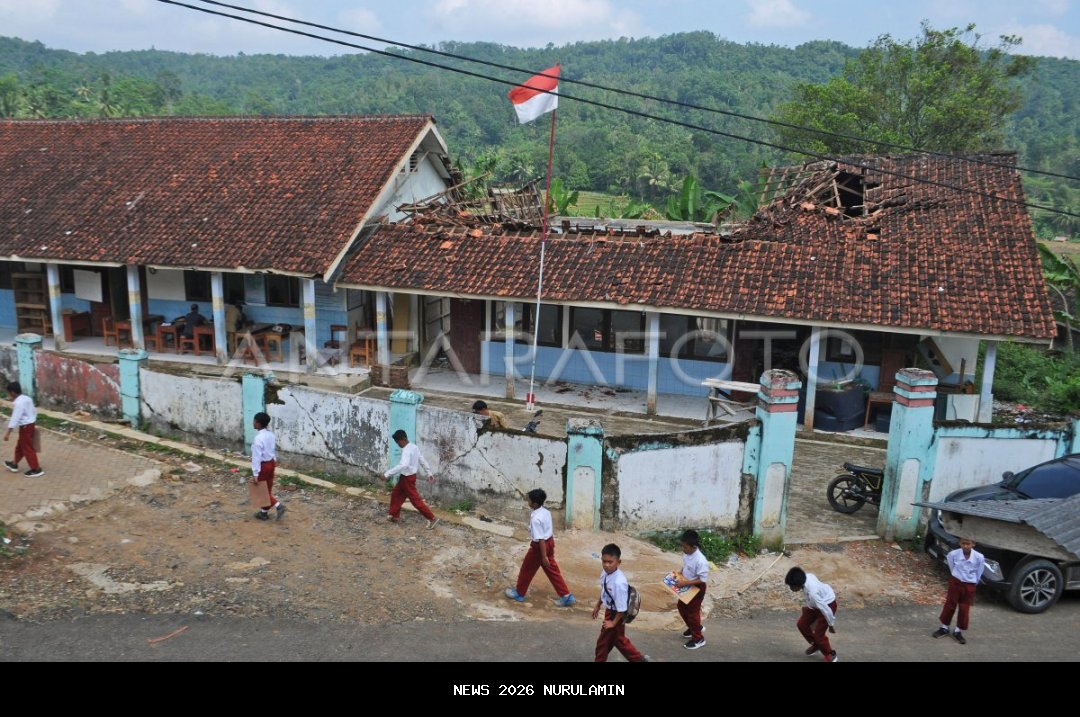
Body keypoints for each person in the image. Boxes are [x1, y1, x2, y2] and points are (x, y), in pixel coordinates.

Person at [504, 488, 576, 607]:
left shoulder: (535, 519)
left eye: (529, 501)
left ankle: (519, 593)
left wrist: (543, 556)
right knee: (552, 570)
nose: (528, 502)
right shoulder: (545, 512)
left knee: (526, 569)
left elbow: (540, 539)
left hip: (539, 547)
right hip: (550, 542)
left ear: (535, 504)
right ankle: (566, 595)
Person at [592, 543, 648, 662]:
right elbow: (605, 591)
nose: (606, 565)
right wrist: (598, 604)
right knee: (618, 641)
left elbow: (622, 608)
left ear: (619, 562)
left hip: (616, 614)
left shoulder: (619, 582)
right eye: (604, 561)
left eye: (610, 562)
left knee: (603, 643)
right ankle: (639, 659)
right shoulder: (605, 573)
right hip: (610, 611)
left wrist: (613, 622)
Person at [383, 429, 439, 529]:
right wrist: (429, 472)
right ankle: (394, 515)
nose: (397, 444)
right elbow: (422, 460)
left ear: (403, 439)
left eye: (398, 442)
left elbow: (403, 465)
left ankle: (432, 518)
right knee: (396, 494)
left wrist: (387, 474)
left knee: (415, 501)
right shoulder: (414, 447)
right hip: (406, 477)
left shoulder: (406, 450)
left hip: (407, 479)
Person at [933, 537, 985, 645]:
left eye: (968, 544)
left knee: (964, 607)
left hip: (970, 584)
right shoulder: (953, 554)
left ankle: (958, 631)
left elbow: (979, 572)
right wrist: (956, 577)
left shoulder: (979, 557)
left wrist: (973, 582)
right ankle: (944, 627)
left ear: (973, 544)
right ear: (960, 543)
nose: (965, 546)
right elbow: (952, 567)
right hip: (956, 582)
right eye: (963, 543)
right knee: (950, 604)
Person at [785, 566, 839, 662]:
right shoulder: (807, 576)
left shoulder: (812, 592)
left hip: (827, 605)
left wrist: (831, 624)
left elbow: (825, 609)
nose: (791, 589)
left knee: (819, 635)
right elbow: (813, 601)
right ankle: (816, 644)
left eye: (792, 587)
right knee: (802, 624)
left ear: (799, 584)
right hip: (815, 605)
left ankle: (830, 654)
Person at [672, 529, 709, 649]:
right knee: (681, 607)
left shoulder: (701, 560)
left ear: (693, 546)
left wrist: (685, 583)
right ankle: (694, 627)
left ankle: (698, 638)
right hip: (687, 584)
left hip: (697, 588)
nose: (683, 549)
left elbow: (702, 579)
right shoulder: (687, 553)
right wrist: (680, 572)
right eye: (682, 546)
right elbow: (686, 565)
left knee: (693, 613)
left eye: (685, 547)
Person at [250, 412, 285, 521]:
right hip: (271, 463)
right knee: (267, 489)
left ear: (258, 424)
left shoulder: (258, 439)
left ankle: (279, 506)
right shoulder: (271, 435)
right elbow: (272, 450)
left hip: (263, 465)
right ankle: (263, 513)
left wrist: (255, 473)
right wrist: (274, 461)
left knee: (261, 490)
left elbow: (256, 457)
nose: (253, 423)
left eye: (254, 421)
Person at [4, 381, 43, 477]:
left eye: (9, 393)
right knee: (20, 446)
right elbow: (34, 411)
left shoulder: (18, 403)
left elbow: (15, 418)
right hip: (30, 424)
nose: (9, 395)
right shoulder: (27, 398)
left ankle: (36, 469)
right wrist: (32, 421)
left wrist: (8, 433)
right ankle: (14, 464)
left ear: (12, 392)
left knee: (27, 448)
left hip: (25, 427)